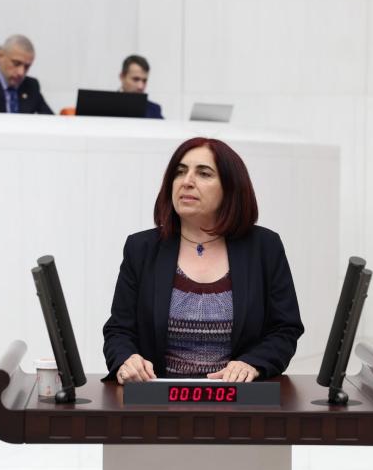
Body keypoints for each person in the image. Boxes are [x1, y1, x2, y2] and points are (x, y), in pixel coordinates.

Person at [103, 137, 304, 384]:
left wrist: (252, 363)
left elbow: (285, 329)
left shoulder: (264, 247)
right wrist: (127, 359)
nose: (187, 182)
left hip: (238, 400)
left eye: (204, 173)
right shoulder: (141, 248)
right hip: (158, 400)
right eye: (180, 172)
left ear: (230, 187)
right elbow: (118, 330)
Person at [119, 54, 163, 119]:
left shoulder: (154, 110)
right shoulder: (107, 106)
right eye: (135, 79)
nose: (141, 86)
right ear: (122, 77)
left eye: (144, 81)